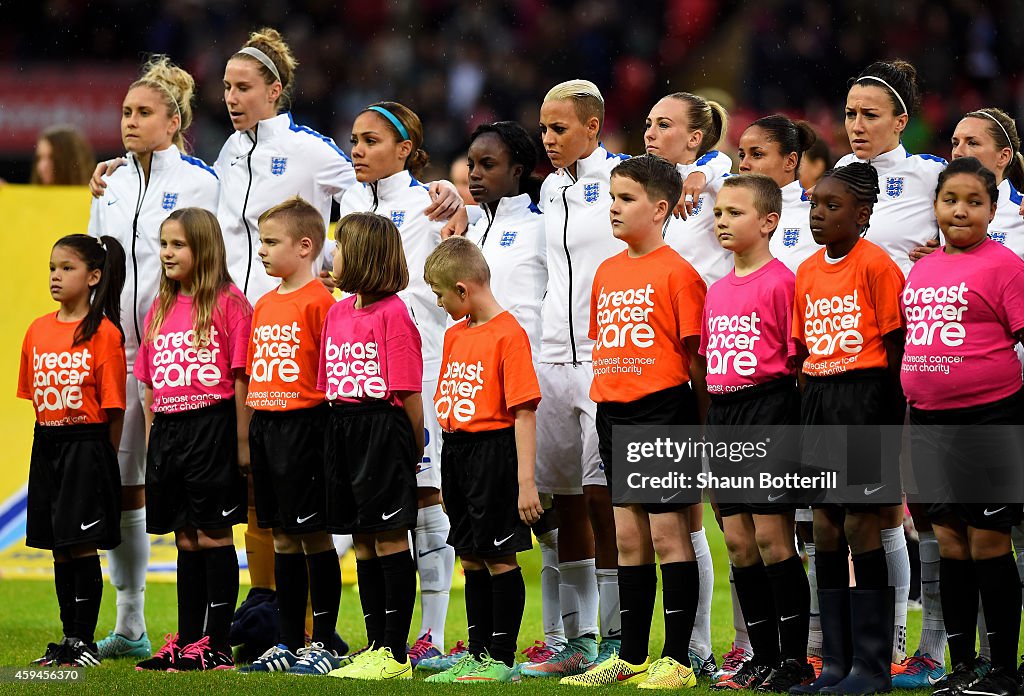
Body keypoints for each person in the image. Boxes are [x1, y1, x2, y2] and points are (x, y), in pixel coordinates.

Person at [87, 54, 218, 661]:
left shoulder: (200, 181)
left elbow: (209, 263)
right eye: (125, 112)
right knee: (121, 484)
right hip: (116, 347)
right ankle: (131, 621)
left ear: (175, 120)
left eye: (143, 113)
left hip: (178, 351)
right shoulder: (108, 182)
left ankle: (207, 627)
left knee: (186, 488)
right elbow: (98, 263)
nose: (130, 122)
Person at [560, 154, 707, 689]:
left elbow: (696, 363)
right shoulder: (607, 271)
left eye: (627, 199)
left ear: (660, 208)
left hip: (663, 409)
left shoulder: (679, 274)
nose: (614, 208)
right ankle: (634, 654)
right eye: (612, 197)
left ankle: (677, 661)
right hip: (614, 410)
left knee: (671, 536)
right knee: (627, 539)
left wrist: (699, 427)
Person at [337, 101, 457, 662]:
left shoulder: (430, 204)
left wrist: (460, 199)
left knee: (428, 495)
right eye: (354, 140)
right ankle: (380, 639)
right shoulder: (350, 199)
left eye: (370, 141)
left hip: (420, 366)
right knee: (367, 511)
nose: (356, 150)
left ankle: (428, 635)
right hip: (358, 376)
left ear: (405, 149)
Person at [901, 157, 1024, 696]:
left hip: (989, 422)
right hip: (927, 424)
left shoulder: (1005, 267)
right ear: (936, 207)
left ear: (993, 211)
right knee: (949, 543)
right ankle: (963, 665)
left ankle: (1004, 669)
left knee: (990, 543)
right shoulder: (923, 270)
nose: (960, 210)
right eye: (951, 200)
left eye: (974, 202)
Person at [836, 60, 945, 668]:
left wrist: (952, 248)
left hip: (916, 352)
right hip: (851, 362)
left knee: (926, 505)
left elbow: (985, 220)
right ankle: (887, 645)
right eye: (850, 113)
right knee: (870, 505)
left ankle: (927, 646)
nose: (856, 125)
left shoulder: (929, 177)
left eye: (870, 115)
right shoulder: (840, 177)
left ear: (901, 121)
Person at [520, 79, 626, 678]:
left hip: (604, 355)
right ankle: (578, 641)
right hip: (551, 358)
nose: (549, 139)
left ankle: (614, 639)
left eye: (560, 128)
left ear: (593, 126)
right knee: (560, 505)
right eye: (543, 128)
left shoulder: (623, 179)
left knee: (602, 498)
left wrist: (701, 176)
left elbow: (700, 174)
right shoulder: (551, 189)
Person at [790, 163, 906, 696]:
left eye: (832, 207)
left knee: (862, 523)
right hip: (818, 398)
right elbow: (801, 353)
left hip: (863, 398)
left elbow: (896, 348)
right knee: (825, 524)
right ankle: (835, 664)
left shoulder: (877, 265)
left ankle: (873, 667)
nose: (819, 214)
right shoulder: (808, 271)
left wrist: (889, 423)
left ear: (862, 214)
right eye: (815, 205)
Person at [699, 175, 813, 692]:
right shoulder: (717, 290)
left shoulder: (783, 283)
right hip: (724, 418)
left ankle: (794, 660)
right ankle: (762, 657)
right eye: (719, 211)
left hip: (768, 411)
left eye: (735, 212)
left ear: (768, 222)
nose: (722, 220)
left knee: (772, 537)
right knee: (740, 544)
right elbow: (708, 367)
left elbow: (798, 364)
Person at [459, 121, 562, 665]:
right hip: (476, 395)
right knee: (494, 525)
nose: (475, 175)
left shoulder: (545, 225)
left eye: (489, 165)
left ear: (519, 170)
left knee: (544, 514)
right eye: (472, 164)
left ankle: (571, 638)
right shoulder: (469, 227)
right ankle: (533, 642)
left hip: (532, 382)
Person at [133, 208, 253, 672]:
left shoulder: (229, 304)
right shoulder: (159, 308)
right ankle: (186, 639)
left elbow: (241, 378)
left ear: (203, 249)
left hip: (212, 427)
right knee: (184, 537)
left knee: (212, 533)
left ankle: (217, 643)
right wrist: (150, 444)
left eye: (177, 245)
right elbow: (149, 386)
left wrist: (242, 442)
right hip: (168, 432)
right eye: (164, 244)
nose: (166, 253)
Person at [420, 237, 543, 683]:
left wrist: (525, 482)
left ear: (462, 289)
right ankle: (475, 654)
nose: (438, 302)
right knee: (469, 555)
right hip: (457, 454)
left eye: (439, 294)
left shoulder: (509, 334)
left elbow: (524, 411)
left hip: (494, 452)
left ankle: (501, 658)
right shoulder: (455, 334)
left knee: (498, 557)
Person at [643, 94, 732, 676]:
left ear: (697, 137)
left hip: (708, 361)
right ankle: (696, 645)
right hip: (656, 362)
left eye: (666, 125)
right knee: (682, 514)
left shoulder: (716, 181)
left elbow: (736, 170)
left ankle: (741, 644)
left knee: (731, 514)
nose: (651, 132)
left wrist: (706, 172)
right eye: (649, 123)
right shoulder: (649, 181)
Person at [236, 197, 341, 675]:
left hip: (306, 427)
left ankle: (321, 642)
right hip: (267, 426)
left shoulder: (322, 302)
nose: (262, 250)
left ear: (305, 247)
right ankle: (285, 640)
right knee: (280, 535)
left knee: (313, 536)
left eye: (271, 242)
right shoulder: (263, 302)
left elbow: (331, 371)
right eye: (260, 241)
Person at [317, 212, 423, 681]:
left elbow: (409, 392)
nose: (332, 255)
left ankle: (395, 654)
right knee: (360, 539)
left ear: (362, 257)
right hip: (342, 425)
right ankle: (375, 643)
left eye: (340, 247)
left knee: (387, 537)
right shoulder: (337, 312)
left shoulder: (395, 313)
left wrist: (413, 445)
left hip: (383, 427)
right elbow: (328, 384)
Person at [20, 234, 127, 668]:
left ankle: (84, 639)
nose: (56, 276)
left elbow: (114, 408)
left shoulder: (104, 334)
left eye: (67, 268)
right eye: (52, 268)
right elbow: (34, 396)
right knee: (59, 547)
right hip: (47, 443)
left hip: (87, 446)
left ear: (94, 276)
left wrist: (106, 462)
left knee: (82, 545)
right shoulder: (38, 329)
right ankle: (68, 638)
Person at [737, 115, 818, 274]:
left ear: (790, 162)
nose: (743, 165)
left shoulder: (814, 215)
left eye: (757, 154)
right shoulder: (730, 209)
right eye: (742, 155)